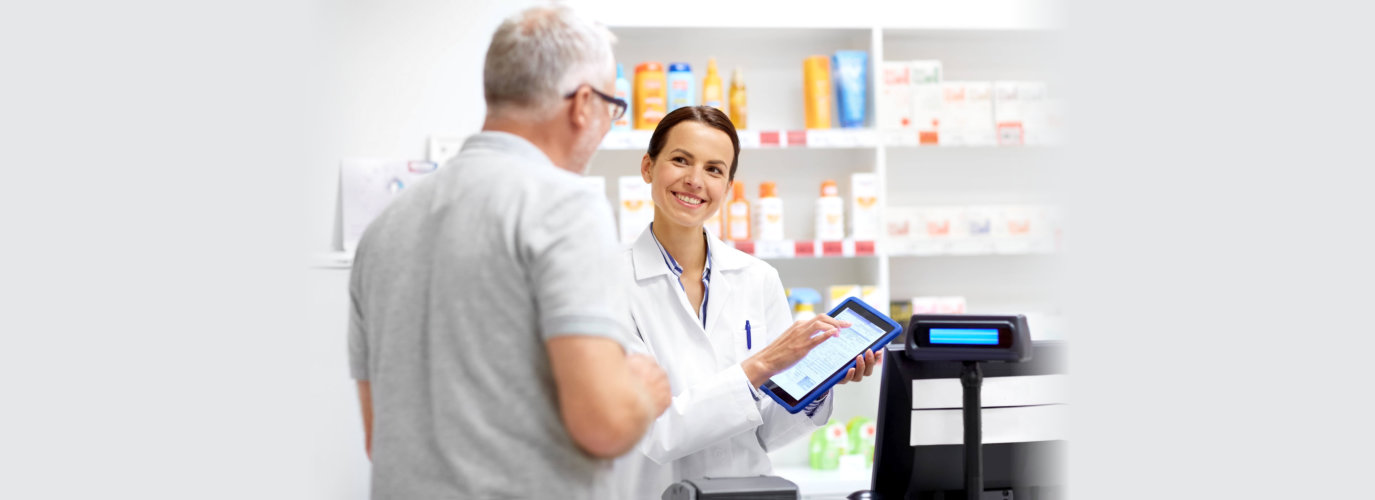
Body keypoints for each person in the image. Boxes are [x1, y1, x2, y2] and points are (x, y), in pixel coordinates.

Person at [347, 6, 670, 499]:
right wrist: (642, 392)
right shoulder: (564, 204)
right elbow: (603, 425)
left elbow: (379, 435)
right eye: (612, 107)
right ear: (583, 104)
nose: (607, 124)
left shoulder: (385, 228)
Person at [613, 106, 884, 499]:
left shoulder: (758, 279)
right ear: (648, 167)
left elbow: (766, 432)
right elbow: (654, 432)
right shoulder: (607, 284)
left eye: (714, 169)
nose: (694, 181)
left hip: (750, 491)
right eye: (680, 160)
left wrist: (817, 384)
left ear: (727, 185)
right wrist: (764, 364)